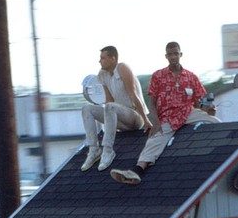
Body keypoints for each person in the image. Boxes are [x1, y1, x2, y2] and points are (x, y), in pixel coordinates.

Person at [110, 42, 212, 186]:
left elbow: (200, 100)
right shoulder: (158, 75)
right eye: (170, 54)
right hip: (168, 116)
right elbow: (152, 101)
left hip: (188, 112)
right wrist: (155, 121)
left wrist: (208, 108)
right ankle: (136, 171)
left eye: (176, 53)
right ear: (166, 56)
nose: (173, 57)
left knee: (215, 122)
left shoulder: (191, 77)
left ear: (180, 54)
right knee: (154, 140)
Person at [80, 46, 150, 172]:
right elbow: (109, 100)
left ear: (113, 59)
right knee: (87, 109)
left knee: (110, 106)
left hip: (135, 117)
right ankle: (94, 149)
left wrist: (145, 120)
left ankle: (108, 150)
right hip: (119, 117)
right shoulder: (102, 75)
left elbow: (133, 95)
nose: (99, 61)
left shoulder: (122, 68)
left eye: (103, 58)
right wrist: (112, 125)